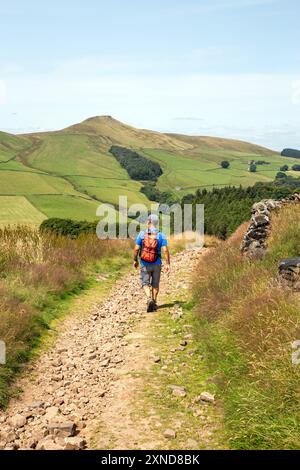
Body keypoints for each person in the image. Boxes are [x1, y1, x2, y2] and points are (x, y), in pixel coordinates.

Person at [133, 214, 170, 312]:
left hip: (145, 263)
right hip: (157, 263)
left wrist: (135, 260)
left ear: (149, 221)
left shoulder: (142, 234)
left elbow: (136, 249)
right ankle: (154, 301)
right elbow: (165, 250)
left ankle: (149, 298)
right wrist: (167, 263)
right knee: (155, 284)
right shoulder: (161, 235)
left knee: (145, 283)